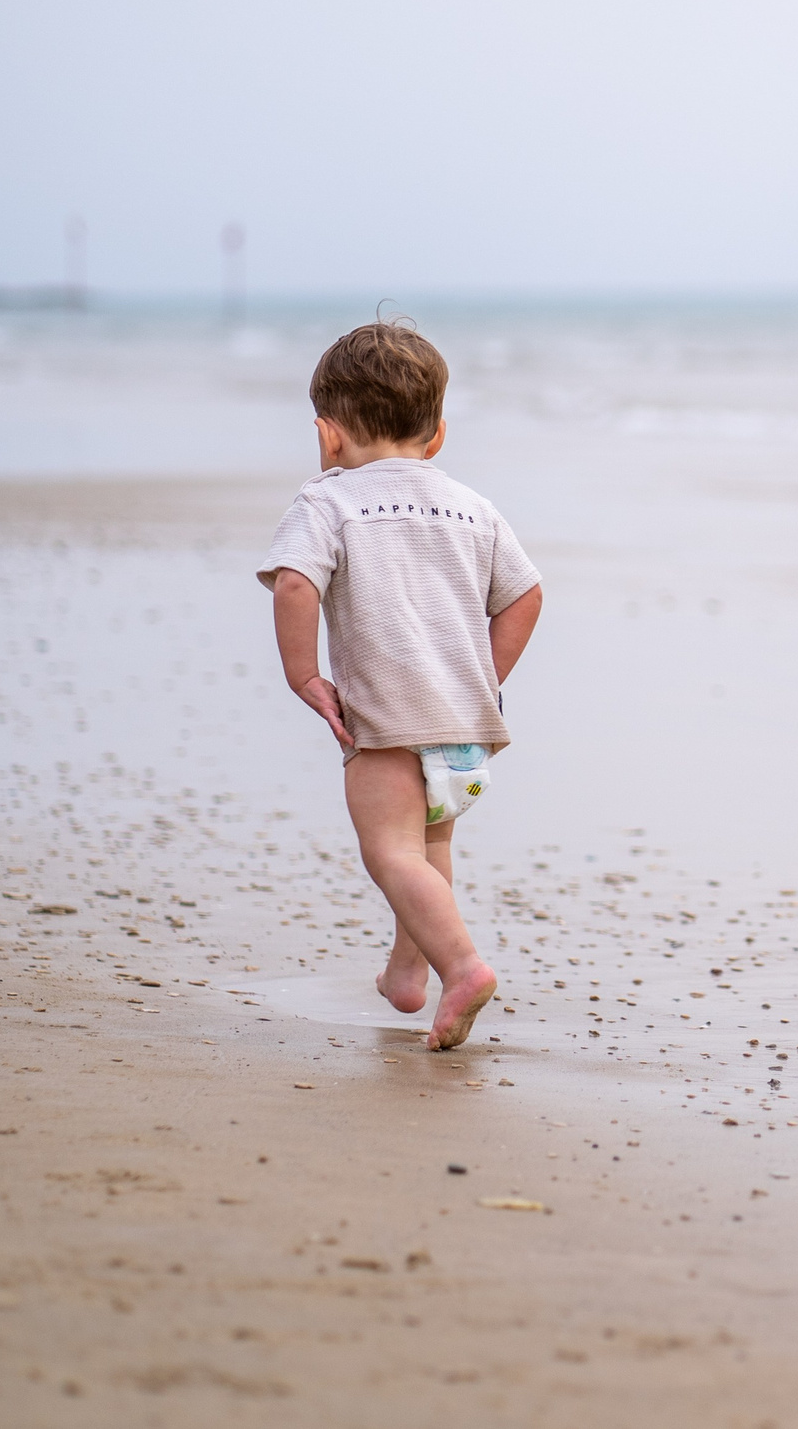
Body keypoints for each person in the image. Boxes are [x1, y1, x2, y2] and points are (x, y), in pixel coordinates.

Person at [257, 320, 543, 1050]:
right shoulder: (474, 506)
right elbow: (524, 596)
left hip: (385, 722)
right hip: (464, 726)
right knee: (429, 848)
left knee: (390, 852)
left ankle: (462, 965)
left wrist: (304, 675)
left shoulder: (329, 500)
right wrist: (482, 678)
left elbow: (294, 582)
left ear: (328, 436)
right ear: (437, 434)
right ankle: (406, 974)